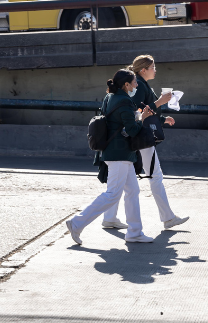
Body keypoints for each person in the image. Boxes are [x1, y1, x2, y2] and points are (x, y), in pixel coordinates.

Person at [66, 69, 155, 245]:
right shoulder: (125, 101)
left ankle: (135, 232)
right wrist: (142, 118)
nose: (137, 85)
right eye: (135, 82)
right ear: (126, 85)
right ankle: (77, 223)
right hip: (119, 153)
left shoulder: (110, 97)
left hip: (116, 152)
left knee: (132, 191)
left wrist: (137, 116)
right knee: (113, 194)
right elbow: (132, 130)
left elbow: (118, 121)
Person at [102, 55, 190, 231]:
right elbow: (137, 110)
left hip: (137, 134)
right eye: (153, 67)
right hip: (140, 135)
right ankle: (168, 218)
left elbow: (143, 109)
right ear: (143, 70)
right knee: (155, 175)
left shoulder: (140, 83)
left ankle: (110, 217)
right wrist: (161, 102)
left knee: (122, 179)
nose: (155, 70)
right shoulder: (139, 85)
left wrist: (163, 118)